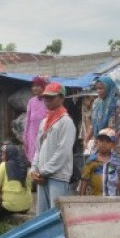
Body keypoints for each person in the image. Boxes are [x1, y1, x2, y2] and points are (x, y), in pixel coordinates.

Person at [31, 82, 76, 213]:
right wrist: (34, 169)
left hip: (58, 176)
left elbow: (63, 151)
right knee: (41, 218)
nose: (47, 100)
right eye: (46, 97)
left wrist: (43, 171)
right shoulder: (45, 121)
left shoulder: (66, 122)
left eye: (52, 97)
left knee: (56, 217)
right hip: (42, 175)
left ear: (61, 98)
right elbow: (38, 148)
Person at [79, 129, 120, 197]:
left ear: (113, 144)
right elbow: (84, 180)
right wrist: (81, 199)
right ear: (97, 142)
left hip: (113, 200)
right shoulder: (91, 161)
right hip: (95, 200)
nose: (104, 144)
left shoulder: (118, 160)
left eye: (107, 141)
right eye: (101, 141)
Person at [86, 76, 120, 156]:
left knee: (112, 165)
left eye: (101, 88)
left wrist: (111, 143)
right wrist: (87, 138)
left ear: (108, 88)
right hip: (98, 140)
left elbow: (119, 125)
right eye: (97, 88)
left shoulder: (116, 102)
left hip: (113, 140)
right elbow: (93, 123)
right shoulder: (96, 103)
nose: (99, 91)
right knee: (96, 164)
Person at [0, 144, 32, 219]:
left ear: (10, 154)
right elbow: (30, 186)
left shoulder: (3, 165)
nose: (1, 155)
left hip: (9, 207)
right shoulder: (24, 167)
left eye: (4, 153)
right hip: (26, 207)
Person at [23, 76, 49, 163]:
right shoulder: (31, 101)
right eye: (33, 86)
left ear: (43, 86)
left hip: (45, 135)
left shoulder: (48, 100)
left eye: (37, 86)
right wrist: (25, 137)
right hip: (32, 136)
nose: (34, 88)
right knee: (34, 161)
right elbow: (28, 121)